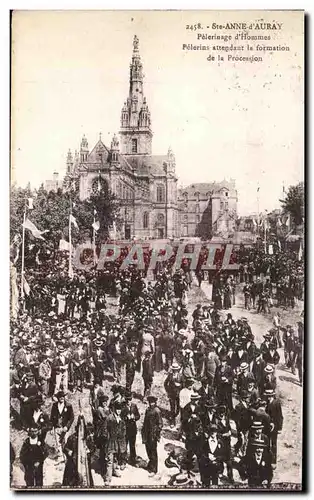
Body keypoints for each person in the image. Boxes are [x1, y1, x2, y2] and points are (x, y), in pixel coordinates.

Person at [142, 395, 163, 478]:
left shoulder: (157, 411)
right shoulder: (148, 410)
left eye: (152, 402)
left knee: (153, 451)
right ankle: (150, 465)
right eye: (150, 402)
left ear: (155, 402)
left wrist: (156, 433)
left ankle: (154, 469)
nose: (151, 404)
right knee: (148, 450)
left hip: (153, 434)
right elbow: (145, 422)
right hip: (147, 433)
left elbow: (160, 424)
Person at [50, 391, 74, 456]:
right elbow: (52, 418)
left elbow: (71, 418)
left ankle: (66, 458)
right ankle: (60, 457)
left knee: (66, 443)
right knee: (58, 443)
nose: (62, 398)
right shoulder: (54, 406)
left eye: (63, 396)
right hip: (57, 427)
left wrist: (67, 426)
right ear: (57, 398)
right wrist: (52, 428)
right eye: (60, 397)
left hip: (65, 428)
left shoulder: (68, 406)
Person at [264, 389, 283, 465]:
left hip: (274, 427)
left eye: (269, 396)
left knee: (274, 444)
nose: (268, 397)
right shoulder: (266, 403)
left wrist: (279, 428)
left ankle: (273, 461)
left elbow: (280, 416)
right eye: (267, 396)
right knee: (267, 443)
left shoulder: (276, 403)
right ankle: (268, 459)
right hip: (267, 427)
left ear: (272, 395)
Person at [122, 391, 140, 466]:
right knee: (124, 446)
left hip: (133, 429)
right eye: (127, 400)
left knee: (132, 446)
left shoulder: (134, 406)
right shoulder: (122, 406)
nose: (128, 401)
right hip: (125, 429)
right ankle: (123, 461)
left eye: (129, 400)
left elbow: (138, 416)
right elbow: (120, 417)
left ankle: (133, 460)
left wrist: (134, 417)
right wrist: (126, 417)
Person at [164, 362, 183, 428]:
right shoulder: (170, 375)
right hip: (171, 394)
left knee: (178, 408)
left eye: (176, 369)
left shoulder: (181, 376)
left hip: (179, 394)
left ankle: (176, 418)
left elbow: (183, 384)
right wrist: (168, 391)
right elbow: (165, 383)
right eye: (174, 369)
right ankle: (172, 421)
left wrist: (180, 386)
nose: (175, 370)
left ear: (178, 369)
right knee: (172, 408)